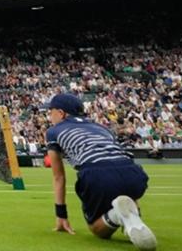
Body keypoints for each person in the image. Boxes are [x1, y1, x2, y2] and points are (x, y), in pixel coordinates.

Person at [44, 93, 156, 250]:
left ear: (61, 113)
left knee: (97, 229)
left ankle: (118, 216)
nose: (49, 116)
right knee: (125, 191)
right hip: (133, 172)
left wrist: (61, 215)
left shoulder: (53, 132)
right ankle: (133, 218)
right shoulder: (102, 128)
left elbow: (58, 177)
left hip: (96, 174)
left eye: (50, 111)